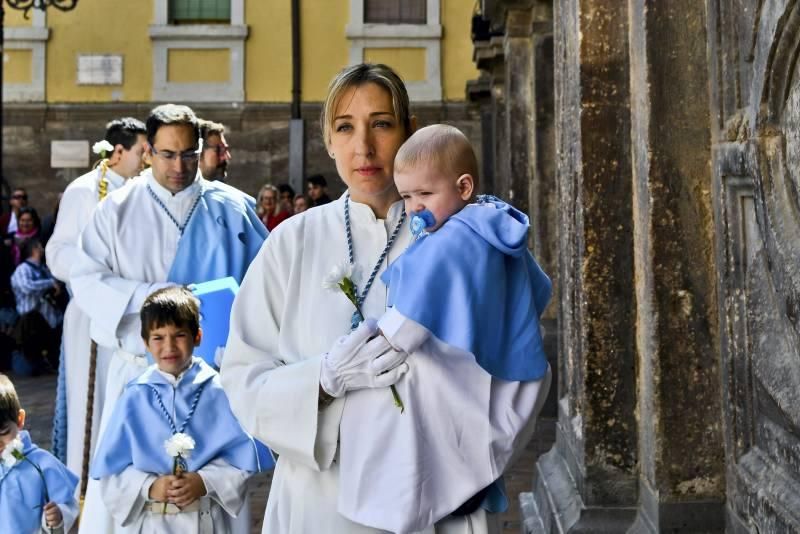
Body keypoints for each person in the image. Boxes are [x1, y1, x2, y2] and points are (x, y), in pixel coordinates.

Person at [221, 63, 548, 534]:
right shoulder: (292, 242)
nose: (364, 147)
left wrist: (469, 467)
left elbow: (520, 363)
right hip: (320, 504)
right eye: (345, 128)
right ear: (329, 142)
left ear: (410, 133)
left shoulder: (468, 237)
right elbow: (242, 379)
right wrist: (322, 381)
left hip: (442, 505)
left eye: (381, 124)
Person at [334, 124, 552, 532]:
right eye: (407, 197)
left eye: (424, 194)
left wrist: (365, 345)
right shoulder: (489, 221)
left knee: (433, 433)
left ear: (464, 186)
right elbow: (535, 289)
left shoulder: (455, 239)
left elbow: (408, 325)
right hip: (511, 361)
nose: (414, 207)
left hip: (479, 372)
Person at [72, 104, 266, 534]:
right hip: (140, 377)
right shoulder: (116, 210)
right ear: (147, 151)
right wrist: (152, 299)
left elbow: (266, 290)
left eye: (189, 154)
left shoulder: (233, 210)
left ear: (202, 150)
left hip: (213, 379)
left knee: (215, 483)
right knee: (134, 488)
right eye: (167, 154)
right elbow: (84, 279)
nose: (178, 166)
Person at [90, 287, 272, 533]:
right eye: (158, 337)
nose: (169, 346)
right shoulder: (134, 397)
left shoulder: (219, 391)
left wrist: (205, 481)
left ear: (197, 336)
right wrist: (148, 487)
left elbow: (243, 462)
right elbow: (112, 474)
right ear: (145, 342)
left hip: (208, 520)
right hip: (153, 523)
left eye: (179, 335)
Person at [45, 117, 147, 486]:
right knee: (92, 405)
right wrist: (98, 274)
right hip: (91, 314)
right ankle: (86, 490)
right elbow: (57, 254)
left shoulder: (143, 191)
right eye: (142, 151)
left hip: (132, 317)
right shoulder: (83, 190)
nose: (147, 159)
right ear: (118, 152)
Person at [0, 373, 79, 533]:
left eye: (4, 432)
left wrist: (58, 517)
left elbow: (69, 507)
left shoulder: (43, 464)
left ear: (20, 419)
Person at [11, 238, 63, 375]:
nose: (42, 249)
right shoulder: (23, 269)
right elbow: (26, 286)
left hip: (49, 320)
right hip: (30, 324)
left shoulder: (43, 269)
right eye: (40, 246)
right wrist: (50, 283)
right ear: (34, 250)